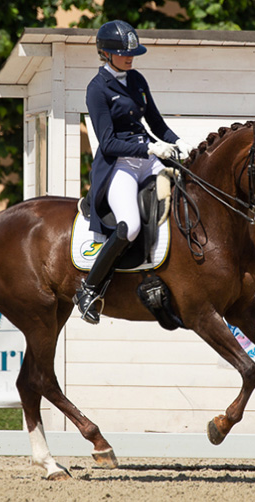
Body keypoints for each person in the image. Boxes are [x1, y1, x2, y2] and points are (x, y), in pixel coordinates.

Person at [73, 20, 193, 324]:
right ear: (105, 52)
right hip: (120, 165)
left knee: (185, 199)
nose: (130, 58)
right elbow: (109, 143)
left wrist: (178, 143)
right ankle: (89, 289)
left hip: (148, 157)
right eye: (123, 53)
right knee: (130, 226)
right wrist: (150, 149)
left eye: (132, 53)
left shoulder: (137, 79)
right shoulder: (97, 89)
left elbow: (156, 123)